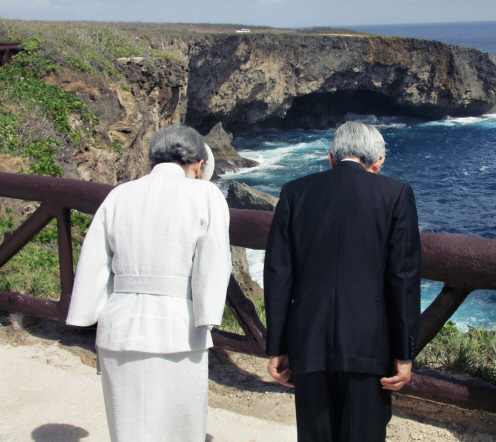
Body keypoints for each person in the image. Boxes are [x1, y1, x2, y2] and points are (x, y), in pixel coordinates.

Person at [66, 125, 232, 442]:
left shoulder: (119, 195)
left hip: (118, 328)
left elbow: (94, 261)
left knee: (127, 429)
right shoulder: (205, 193)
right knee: (179, 430)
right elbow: (214, 262)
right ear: (198, 165)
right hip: (178, 331)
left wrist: (85, 312)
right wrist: (208, 315)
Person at [264, 121, 422, 442]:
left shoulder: (294, 192)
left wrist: (277, 347)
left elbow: (278, 275)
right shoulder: (396, 194)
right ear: (377, 163)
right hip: (369, 346)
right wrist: (404, 354)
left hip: (309, 342)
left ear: (331, 158)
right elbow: (402, 280)